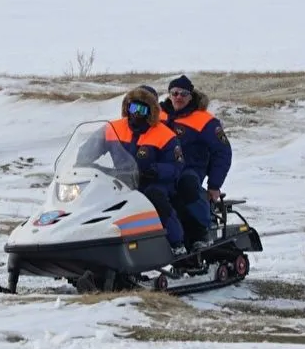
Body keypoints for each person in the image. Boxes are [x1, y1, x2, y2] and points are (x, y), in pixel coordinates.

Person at [77, 86, 187, 256]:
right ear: (126, 107)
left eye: (141, 109)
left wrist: (156, 170)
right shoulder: (113, 128)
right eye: (133, 107)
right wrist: (81, 162)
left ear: (150, 111)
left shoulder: (165, 134)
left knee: (155, 197)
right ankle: (88, 238)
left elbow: (177, 165)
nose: (136, 113)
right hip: (121, 179)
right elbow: (91, 148)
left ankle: (177, 242)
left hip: (151, 181)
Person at [159, 75, 232, 250]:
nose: (178, 97)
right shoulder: (158, 115)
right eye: (175, 93)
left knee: (187, 185)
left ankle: (202, 231)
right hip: (161, 167)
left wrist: (214, 185)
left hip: (190, 168)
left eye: (183, 94)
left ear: (191, 96)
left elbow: (222, 151)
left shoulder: (204, 120)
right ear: (169, 94)